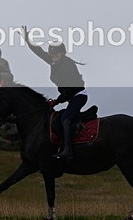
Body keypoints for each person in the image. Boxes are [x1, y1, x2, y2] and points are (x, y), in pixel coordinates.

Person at [22, 26, 87, 160]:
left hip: (78, 95)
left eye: (56, 53)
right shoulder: (53, 61)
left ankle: (68, 151)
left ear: (62, 53)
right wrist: (28, 39)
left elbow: (72, 89)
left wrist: (57, 101)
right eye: (51, 54)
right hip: (69, 97)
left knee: (65, 120)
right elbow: (39, 51)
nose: (53, 55)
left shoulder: (68, 65)